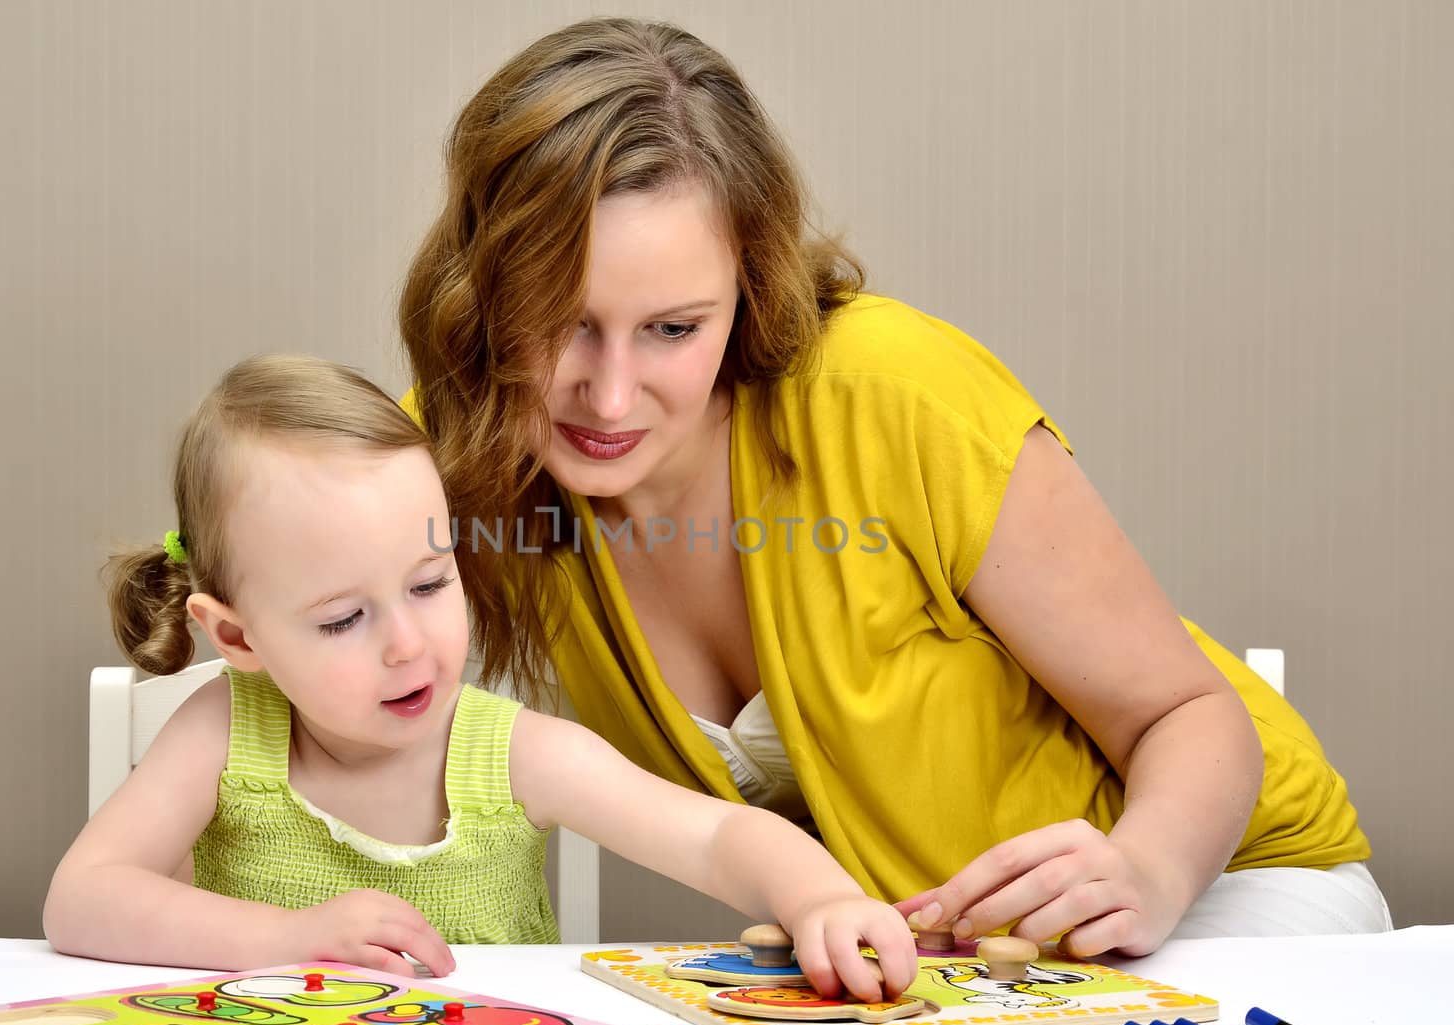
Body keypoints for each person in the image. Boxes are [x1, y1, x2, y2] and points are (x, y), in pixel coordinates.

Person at [397, 16, 1390, 959]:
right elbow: (275, 652)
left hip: (1224, 889)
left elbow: (1186, 715)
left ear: (748, 287)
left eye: (672, 328)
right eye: (560, 320)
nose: (608, 394)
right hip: (953, 973)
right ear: (479, 296)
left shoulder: (892, 391)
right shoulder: (454, 456)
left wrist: (1147, 866)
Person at [42, 354, 917, 1000]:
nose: (407, 646)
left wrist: (821, 899)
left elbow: (715, 839)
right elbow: (82, 900)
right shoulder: (224, 732)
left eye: (430, 583)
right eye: (344, 619)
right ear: (238, 637)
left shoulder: (513, 755)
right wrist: (292, 938)